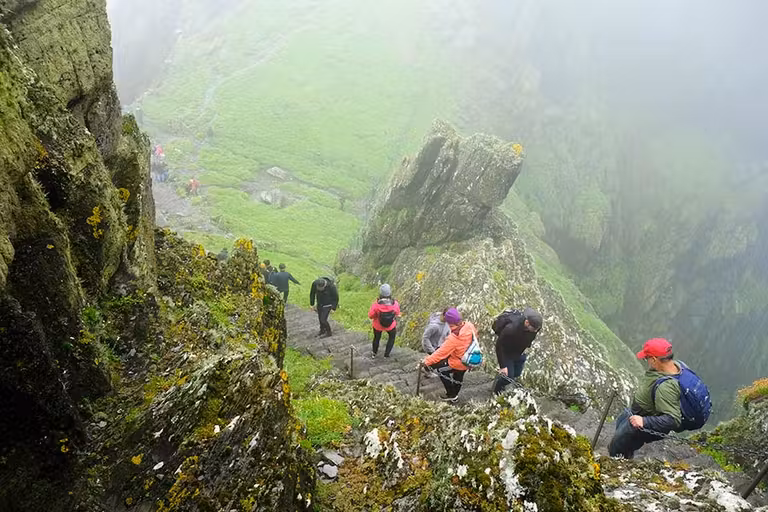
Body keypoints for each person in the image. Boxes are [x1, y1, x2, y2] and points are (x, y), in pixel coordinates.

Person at [608, 338, 685, 459]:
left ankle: (618, 466)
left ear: (654, 360)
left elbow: (673, 419)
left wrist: (644, 421)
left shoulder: (666, 387)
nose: (646, 362)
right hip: (634, 413)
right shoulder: (675, 367)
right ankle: (626, 456)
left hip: (639, 423)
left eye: (646, 358)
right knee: (619, 432)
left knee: (615, 449)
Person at [422, 308, 477, 403]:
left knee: (441, 370)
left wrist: (426, 362)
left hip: (458, 361)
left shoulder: (454, 337)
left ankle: (451, 395)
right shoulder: (469, 325)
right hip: (469, 358)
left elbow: (440, 354)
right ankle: (455, 395)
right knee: (459, 375)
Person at [493, 307, 542, 394]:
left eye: (536, 330)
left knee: (517, 373)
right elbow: (499, 346)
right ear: (527, 323)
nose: (535, 331)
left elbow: (530, 337)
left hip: (519, 352)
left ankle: (503, 379)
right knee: (508, 378)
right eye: (533, 329)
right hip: (507, 353)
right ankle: (496, 391)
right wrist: (503, 366)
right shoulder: (511, 329)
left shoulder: (534, 328)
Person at [368, 284, 401, 359]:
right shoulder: (395, 304)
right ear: (390, 293)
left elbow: (370, 315)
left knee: (376, 338)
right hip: (390, 326)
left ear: (380, 293)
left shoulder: (376, 305)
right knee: (392, 337)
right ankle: (386, 355)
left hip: (378, 325)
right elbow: (397, 313)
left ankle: (374, 353)